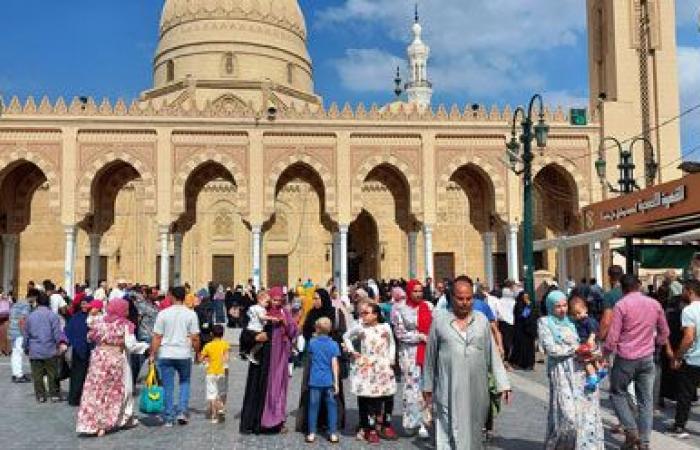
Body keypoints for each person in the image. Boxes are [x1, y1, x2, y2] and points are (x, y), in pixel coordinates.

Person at [423, 276, 512, 450]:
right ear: (452, 297)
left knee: (473, 431)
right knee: (446, 428)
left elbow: (492, 353)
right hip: (447, 386)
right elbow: (430, 356)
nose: (465, 303)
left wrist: (503, 383)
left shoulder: (481, 321)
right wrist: (427, 386)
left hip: (476, 388)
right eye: (460, 298)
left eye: (469, 298)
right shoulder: (440, 322)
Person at [604, 275, 671, 450]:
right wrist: (657, 345)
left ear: (622, 289)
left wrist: (605, 353)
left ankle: (631, 429)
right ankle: (644, 441)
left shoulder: (621, 305)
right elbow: (664, 331)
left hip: (626, 357)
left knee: (617, 392)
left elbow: (613, 337)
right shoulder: (654, 304)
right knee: (646, 401)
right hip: (647, 357)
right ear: (639, 286)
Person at [538, 290, 604, 449]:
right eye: (557, 306)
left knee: (587, 415)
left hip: (583, 374)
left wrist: (594, 352)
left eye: (564, 305)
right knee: (568, 416)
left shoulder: (573, 320)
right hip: (562, 373)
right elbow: (551, 349)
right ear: (550, 307)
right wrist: (575, 350)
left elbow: (592, 341)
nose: (562, 309)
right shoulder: (545, 322)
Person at [76, 298, 144, 436]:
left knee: (95, 391)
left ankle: (90, 424)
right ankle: (110, 422)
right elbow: (131, 345)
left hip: (98, 359)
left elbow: (90, 334)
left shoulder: (99, 321)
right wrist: (146, 348)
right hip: (115, 359)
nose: (127, 311)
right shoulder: (124, 324)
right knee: (115, 391)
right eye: (125, 309)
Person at [240, 286, 298, 434]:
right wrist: (255, 337)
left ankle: (277, 421)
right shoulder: (261, 312)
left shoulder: (284, 313)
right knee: (259, 389)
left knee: (278, 390)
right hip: (262, 360)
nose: (276, 303)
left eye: (279, 300)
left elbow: (293, 331)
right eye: (274, 299)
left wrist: (285, 323)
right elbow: (246, 333)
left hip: (279, 359)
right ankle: (256, 423)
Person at [344, 302, 397, 444]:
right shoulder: (360, 328)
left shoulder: (385, 327)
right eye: (362, 313)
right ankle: (371, 428)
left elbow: (392, 343)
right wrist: (352, 351)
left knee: (388, 396)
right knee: (371, 398)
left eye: (367, 313)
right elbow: (346, 336)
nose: (363, 316)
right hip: (368, 366)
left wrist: (391, 359)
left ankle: (386, 424)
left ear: (375, 314)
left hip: (383, 365)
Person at [296, 288, 347, 435]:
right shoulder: (311, 313)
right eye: (314, 298)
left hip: (330, 355)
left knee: (331, 391)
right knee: (312, 390)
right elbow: (305, 331)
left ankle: (332, 423)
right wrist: (311, 336)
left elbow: (342, 332)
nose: (315, 301)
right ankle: (313, 423)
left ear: (324, 299)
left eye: (317, 298)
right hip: (314, 357)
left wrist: (327, 337)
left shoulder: (335, 313)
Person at [149, 286, 201, 427]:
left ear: (171, 296)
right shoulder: (191, 314)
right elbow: (195, 337)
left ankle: (169, 417)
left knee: (167, 386)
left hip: (166, 353)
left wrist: (153, 353)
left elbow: (157, 336)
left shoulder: (163, 314)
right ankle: (182, 412)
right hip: (184, 353)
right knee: (185, 382)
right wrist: (198, 352)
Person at [392, 279, 432, 438]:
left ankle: (425, 420)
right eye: (414, 291)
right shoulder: (399, 309)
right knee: (412, 387)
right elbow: (400, 333)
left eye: (420, 290)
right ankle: (411, 420)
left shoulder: (428, 306)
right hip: (410, 353)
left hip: (427, 350)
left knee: (427, 386)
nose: (418, 294)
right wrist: (419, 336)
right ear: (409, 292)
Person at [667, 279, 700, 438]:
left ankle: (679, 426)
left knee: (685, 394)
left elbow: (688, 337)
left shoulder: (688, 310)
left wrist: (677, 356)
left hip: (693, 359)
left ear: (690, 291)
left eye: (684, 290)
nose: (682, 293)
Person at [304, 317, 340, 444]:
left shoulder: (312, 343)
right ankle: (333, 432)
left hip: (314, 379)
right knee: (331, 406)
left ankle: (312, 432)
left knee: (313, 406)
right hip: (328, 380)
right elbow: (334, 364)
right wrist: (336, 382)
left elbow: (309, 359)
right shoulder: (334, 344)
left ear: (317, 328)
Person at [23, 292, 63, 402]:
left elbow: (26, 334)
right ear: (48, 302)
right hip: (50, 349)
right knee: (52, 373)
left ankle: (40, 395)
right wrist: (58, 345)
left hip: (35, 349)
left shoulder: (31, 316)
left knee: (37, 374)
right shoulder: (53, 316)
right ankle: (54, 394)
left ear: (37, 302)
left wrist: (25, 347)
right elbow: (57, 334)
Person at [569, 296, 607, 392]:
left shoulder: (588, 321)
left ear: (585, 309)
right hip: (585, 344)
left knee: (586, 362)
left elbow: (593, 331)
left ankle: (592, 377)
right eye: (574, 314)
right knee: (592, 360)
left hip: (587, 344)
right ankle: (600, 370)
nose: (577, 316)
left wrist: (591, 339)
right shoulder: (578, 321)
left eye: (578, 313)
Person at [65, 296, 93, 406]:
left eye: (87, 303)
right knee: (77, 374)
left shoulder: (92, 317)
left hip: (89, 350)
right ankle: (74, 398)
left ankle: (83, 397)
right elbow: (69, 331)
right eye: (83, 303)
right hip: (78, 350)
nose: (84, 306)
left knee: (86, 375)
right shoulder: (76, 317)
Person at [199, 324, 230, 424]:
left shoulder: (208, 345)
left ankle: (214, 417)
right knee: (222, 392)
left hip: (210, 372)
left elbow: (201, 358)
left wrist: (206, 361)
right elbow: (226, 358)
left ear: (212, 334)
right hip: (221, 371)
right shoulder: (225, 344)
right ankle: (221, 407)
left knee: (212, 395)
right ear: (223, 334)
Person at [240, 291, 273, 364]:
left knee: (259, 343)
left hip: (250, 328)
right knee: (260, 342)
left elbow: (248, 314)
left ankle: (249, 353)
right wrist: (273, 318)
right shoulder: (260, 309)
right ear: (259, 300)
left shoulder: (253, 307)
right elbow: (262, 317)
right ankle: (250, 352)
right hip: (255, 329)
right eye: (266, 302)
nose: (267, 304)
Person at [8, 288, 34, 383]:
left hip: (12, 331)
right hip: (19, 333)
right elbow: (23, 320)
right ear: (33, 297)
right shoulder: (26, 305)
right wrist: (25, 334)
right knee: (19, 353)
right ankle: (18, 375)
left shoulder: (18, 303)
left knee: (15, 353)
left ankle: (15, 374)